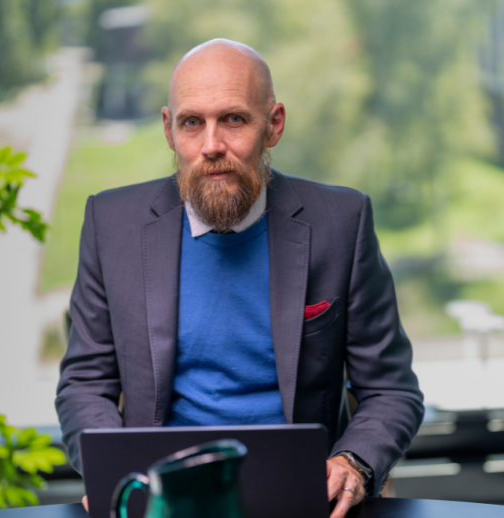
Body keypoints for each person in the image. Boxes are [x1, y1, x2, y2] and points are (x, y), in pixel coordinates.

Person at [56, 39, 424, 518]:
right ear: (169, 130)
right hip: (163, 501)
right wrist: (112, 474)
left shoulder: (342, 222)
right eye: (193, 123)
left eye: (233, 119)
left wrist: (352, 462)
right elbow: (84, 384)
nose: (211, 146)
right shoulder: (111, 224)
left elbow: (391, 389)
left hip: (303, 499)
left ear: (273, 124)